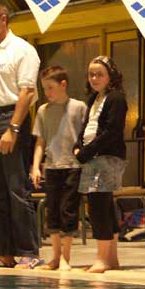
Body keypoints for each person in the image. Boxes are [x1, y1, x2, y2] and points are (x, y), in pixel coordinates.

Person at [0, 1, 42, 269]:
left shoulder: (22, 50)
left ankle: (29, 251)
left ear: (3, 19)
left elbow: (27, 92)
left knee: (16, 188)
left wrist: (13, 128)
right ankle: (5, 252)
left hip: (11, 117)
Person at [30, 66, 87, 271]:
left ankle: (66, 257)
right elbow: (40, 141)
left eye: (50, 87)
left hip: (74, 165)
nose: (47, 92)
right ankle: (55, 256)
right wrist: (36, 166)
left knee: (68, 210)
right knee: (52, 210)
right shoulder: (43, 111)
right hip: (52, 165)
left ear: (63, 84)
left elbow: (86, 137)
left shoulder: (79, 107)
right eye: (44, 88)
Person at [75, 56, 127, 273]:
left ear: (110, 76)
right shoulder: (94, 99)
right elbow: (87, 126)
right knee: (104, 205)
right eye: (91, 74)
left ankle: (102, 258)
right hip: (93, 156)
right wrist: (78, 145)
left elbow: (111, 131)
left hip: (106, 156)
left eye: (99, 74)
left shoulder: (116, 99)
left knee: (98, 205)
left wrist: (86, 152)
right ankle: (111, 258)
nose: (94, 78)